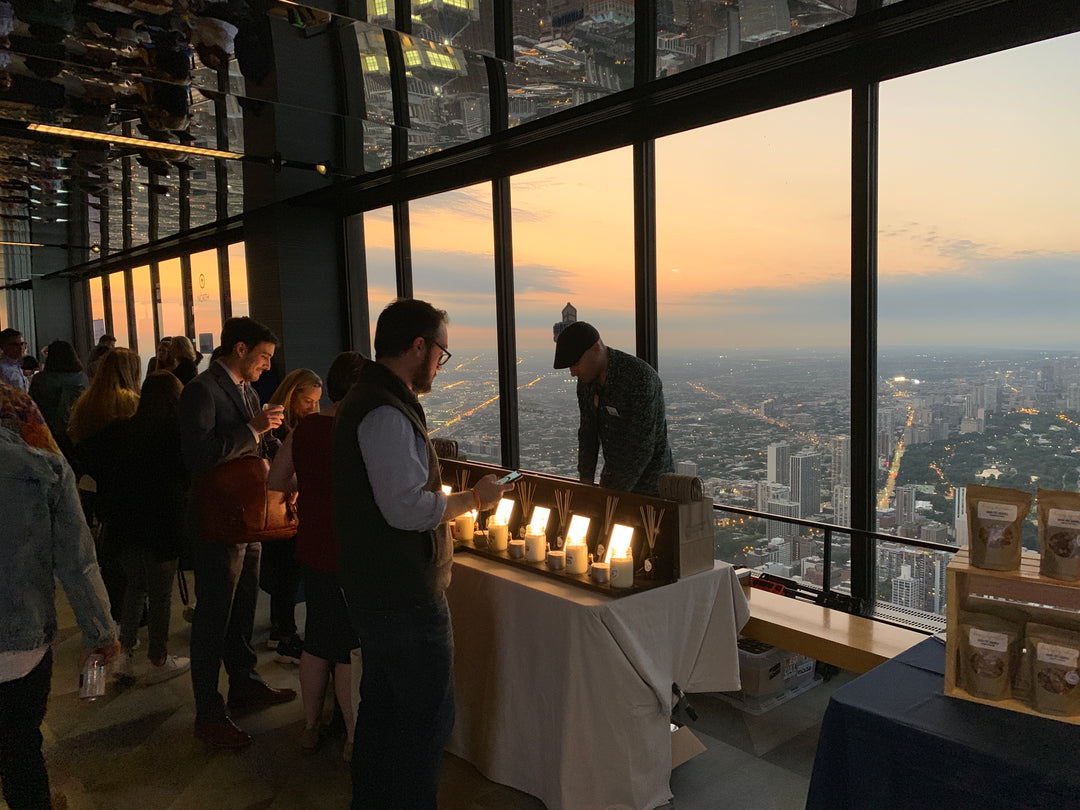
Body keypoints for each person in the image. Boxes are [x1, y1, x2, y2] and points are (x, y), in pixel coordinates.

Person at [333, 299, 513, 808]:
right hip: (403, 592)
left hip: (376, 587)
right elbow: (405, 509)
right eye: (441, 352)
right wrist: (474, 499)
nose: (440, 363)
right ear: (418, 346)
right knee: (425, 721)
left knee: (385, 711)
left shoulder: (369, 398)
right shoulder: (385, 412)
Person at [0, 382, 120, 809]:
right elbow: (77, 562)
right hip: (20, 640)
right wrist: (101, 631)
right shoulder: (44, 465)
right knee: (20, 748)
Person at [179, 316, 294, 750]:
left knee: (243, 606)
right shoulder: (201, 391)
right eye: (264, 357)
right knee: (214, 617)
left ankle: (243, 682)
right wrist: (253, 430)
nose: (267, 367)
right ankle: (208, 712)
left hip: (248, 516)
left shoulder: (245, 389)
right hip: (219, 519)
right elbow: (197, 455)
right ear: (240, 349)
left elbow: (249, 446)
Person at [269, 352, 366, 760]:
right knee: (346, 648)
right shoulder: (359, 432)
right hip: (351, 549)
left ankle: (309, 727)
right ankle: (350, 735)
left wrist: (304, 482)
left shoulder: (306, 427)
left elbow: (275, 479)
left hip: (311, 544)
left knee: (316, 640)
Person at [92, 372, 190, 685]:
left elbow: (92, 461)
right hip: (162, 523)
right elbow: (186, 478)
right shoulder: (175, 433)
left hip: (124, 523)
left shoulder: (120, 429)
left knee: (135, 586)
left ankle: (124, 654)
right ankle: (158, 658)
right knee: (161, 594)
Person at [553, 321, 674, 497]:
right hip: (613, 482)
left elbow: (641, 448)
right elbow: (588, 434)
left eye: (576, 363)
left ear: (596, 348)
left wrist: (611, 497)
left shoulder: (638, 378)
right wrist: (585, 485)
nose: (573, 372)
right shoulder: (587, 382)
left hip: (652, 488)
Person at [261, 367, 322, 663]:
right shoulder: (278, 428)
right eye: (308, 401)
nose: (312, 407)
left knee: (283, 571)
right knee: (287, 570)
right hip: (280, 507)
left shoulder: (288, 425)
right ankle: (286, 634)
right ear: (292, 395)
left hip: (280, 507)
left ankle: (279, 629)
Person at [28, 339, 88, 463]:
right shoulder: (81, 378)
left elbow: (31, 408)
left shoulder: (40, 380)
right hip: (76, 433)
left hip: (47, 435)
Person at [0, 327, 28, 392]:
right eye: (15, 345)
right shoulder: (2, 369)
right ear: (3, 346)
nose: (20, 348)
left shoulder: (21, 364)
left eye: (21, 344)